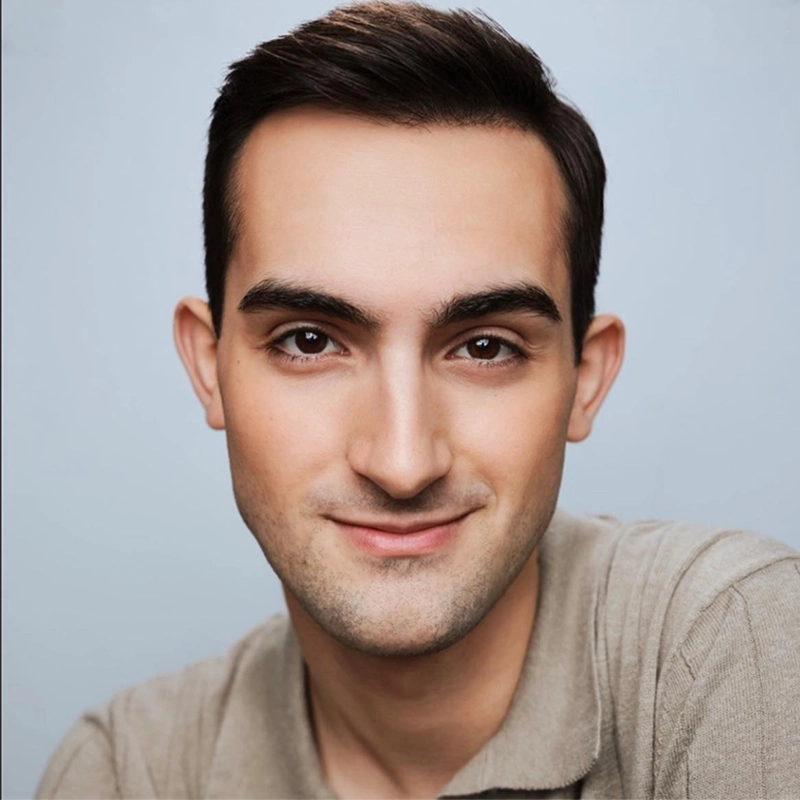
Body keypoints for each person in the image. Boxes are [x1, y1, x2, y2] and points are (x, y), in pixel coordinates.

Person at [37, 2, 800, 798]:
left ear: (585, 377)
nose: (402, 465)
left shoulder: (736, 642)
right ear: (209, 365)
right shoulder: (127, 772)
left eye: (485, 348)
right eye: (309, 340)